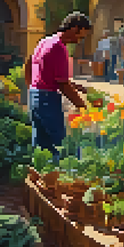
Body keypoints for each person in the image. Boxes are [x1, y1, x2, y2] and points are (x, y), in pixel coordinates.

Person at [25, 12, 91, 164]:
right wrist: (82, 106)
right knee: (57, 143)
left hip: (35, 95)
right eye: (81, 36)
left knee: (40, 143)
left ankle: (39, 176)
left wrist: (33, 86)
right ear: (75, 28)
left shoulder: (45, 41)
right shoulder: (59, 48)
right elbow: (62, 85)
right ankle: (56, 181)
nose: (80, 41)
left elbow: (31, 65)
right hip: (48, 98)